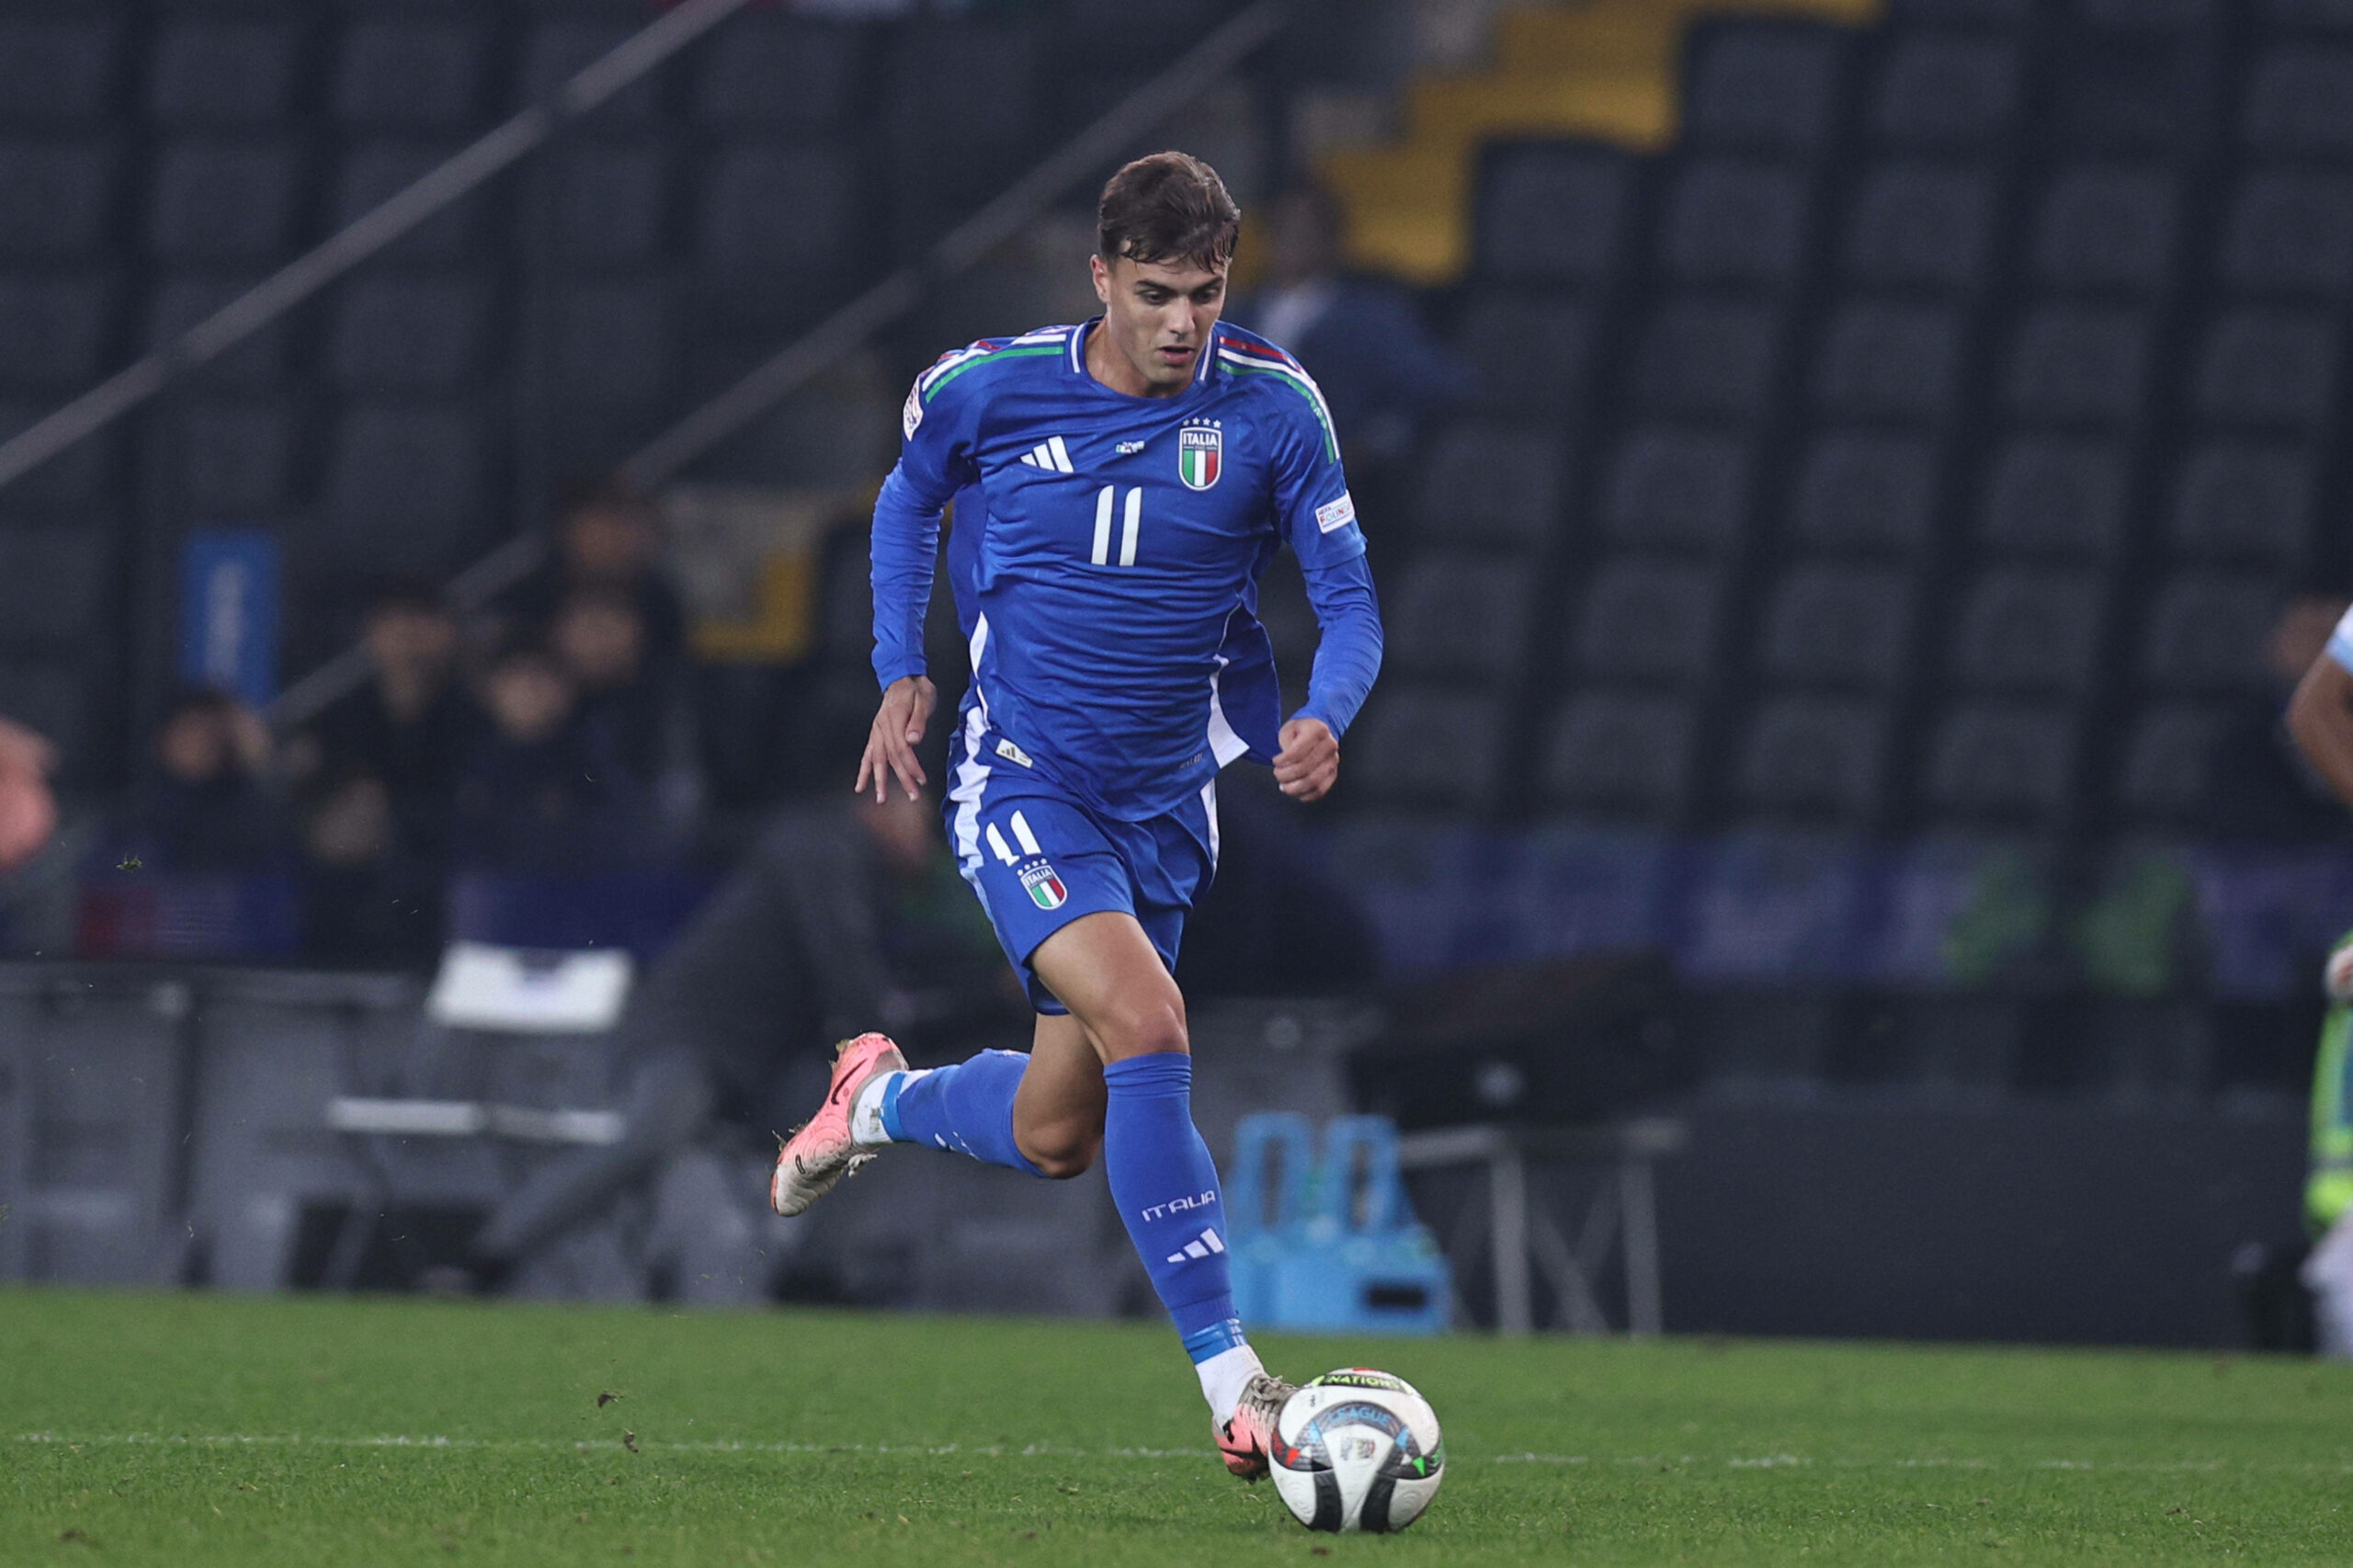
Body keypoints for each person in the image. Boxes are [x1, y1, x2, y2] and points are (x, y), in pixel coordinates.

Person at [767, 152, 1383, 1479]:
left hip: (1168, 803)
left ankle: (878, 1100)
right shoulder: (986, 385)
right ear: (1099, 275)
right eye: (1156, 292)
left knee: (1060, 1131)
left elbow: (1350, 600)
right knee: (1151, 1022)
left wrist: (1328, 709)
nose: (1181, 323)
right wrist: (900, 665)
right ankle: (1237, 1384)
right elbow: (906, 496)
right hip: (1025, 780)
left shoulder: (1276, 410)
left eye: (1206, 295)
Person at [460, 788, 1014, 1299]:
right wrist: (974, 1000)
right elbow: (856, 985)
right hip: (692, 1036)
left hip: (755, 1066)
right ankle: (483, 1257)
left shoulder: (863, 876)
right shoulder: (823, 851)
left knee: (869, 1126)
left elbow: (887, 979)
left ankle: (811, 1274)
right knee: (652, 1137)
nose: (927, 840)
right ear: (878, 806)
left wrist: (985, 991)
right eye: (918, 818)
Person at [1229, 182, 1470, 473]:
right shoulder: (1235, 314)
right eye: (1282, 228)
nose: (1292, 240)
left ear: (1330, 237)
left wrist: (1376, 442)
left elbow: (1438, 386)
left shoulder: (1371, 317)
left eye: (1305, 229)